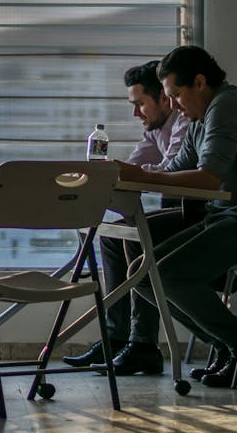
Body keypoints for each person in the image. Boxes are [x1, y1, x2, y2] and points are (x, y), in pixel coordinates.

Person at [116, 45, 237, 388]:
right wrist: (127, 174)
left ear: (200, 82)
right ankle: (228, 346)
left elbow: (207, 178)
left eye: (176, 95)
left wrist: (138, 176)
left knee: (166, 275)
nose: (173, 106)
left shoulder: (227, 107)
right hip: (229, 216)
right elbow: (173, 170)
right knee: (141, 276)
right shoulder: (199, 119)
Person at [62, 60, 193, 375]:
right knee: (111, 236)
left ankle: (143, 344)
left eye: (140, 104)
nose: (136, 113)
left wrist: (131, 172)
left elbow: (169, 168)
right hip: (175, 210)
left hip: (199, 215)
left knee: (138, 236)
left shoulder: (183, 123)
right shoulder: (154, 130)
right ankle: (116, 338)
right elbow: (134, 167)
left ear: (163, 98)